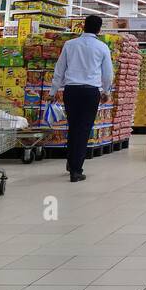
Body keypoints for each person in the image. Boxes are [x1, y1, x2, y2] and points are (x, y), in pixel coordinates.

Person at [50, 15, 113, 182]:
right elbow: (108, 74)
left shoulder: (70, 45)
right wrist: (106, 91)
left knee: (73, 126)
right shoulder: (102, 47)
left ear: (83, 27)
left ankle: (71, 162)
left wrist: (53, 91)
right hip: (90, 92)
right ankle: (76, 170)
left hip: (71, 91)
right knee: (84, 129)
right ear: (99, 29)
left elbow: (60, 69)